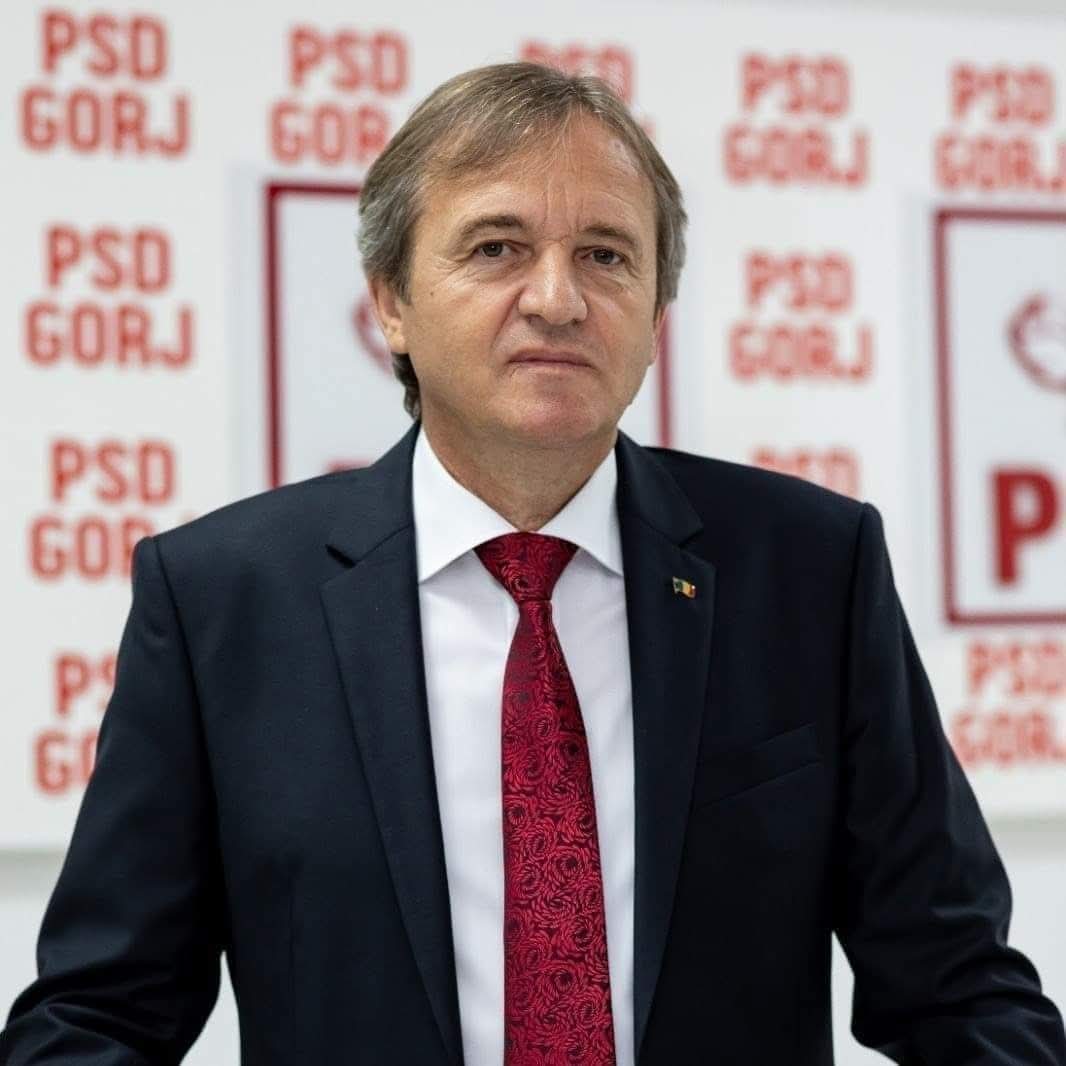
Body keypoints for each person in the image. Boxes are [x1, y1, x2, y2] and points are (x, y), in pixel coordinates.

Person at [2, 61, 1064, 1066]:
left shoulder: (809, 572)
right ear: (390, 302)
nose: (557, 299)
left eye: (605, 255)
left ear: (657, 316)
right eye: (496, 248)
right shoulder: (220, 601)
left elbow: (960, 989)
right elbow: (100, 1012)